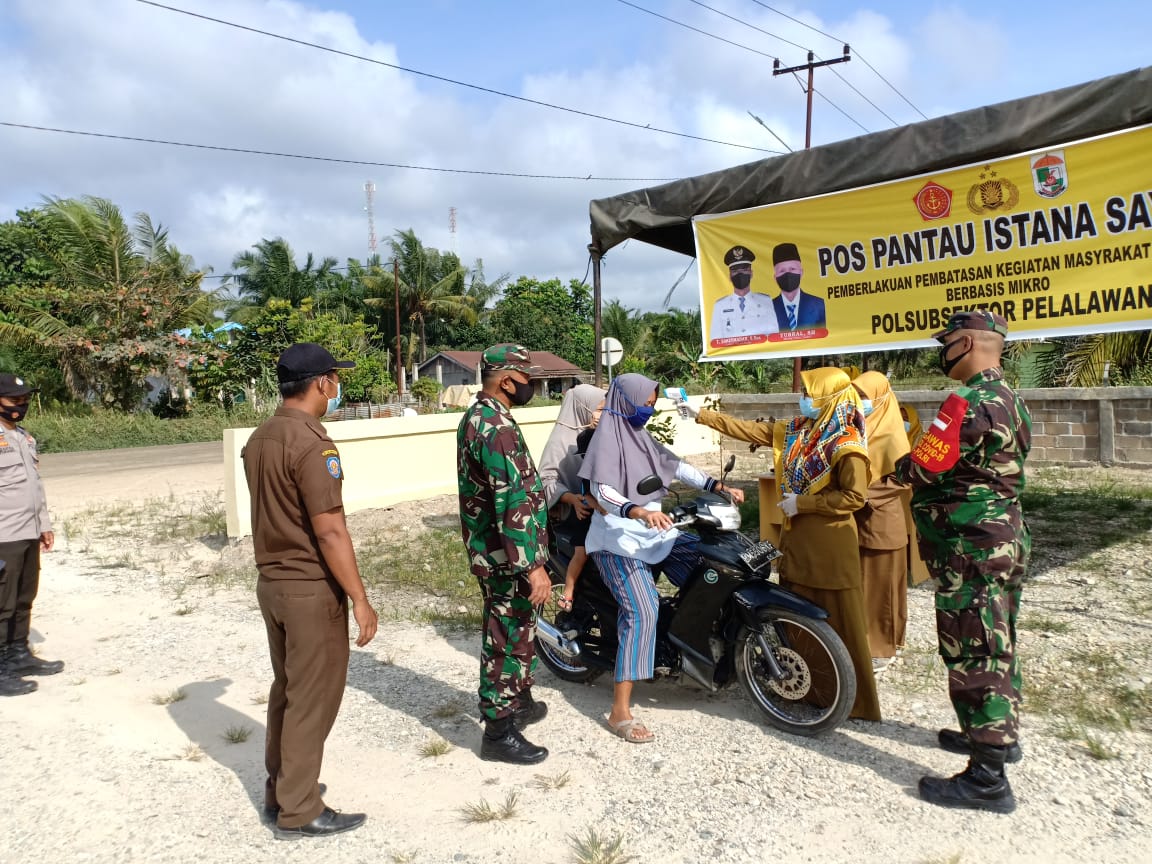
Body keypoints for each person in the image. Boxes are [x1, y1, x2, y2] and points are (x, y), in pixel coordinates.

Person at [894, 310, 1031, 814]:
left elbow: (926, 464)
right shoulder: (1013, 399)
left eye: (947, 341)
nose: (942, 350)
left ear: (968, 343)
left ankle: (987, 778)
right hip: (1003, 538)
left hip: (970, 546)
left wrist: (899, 466)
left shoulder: (965, 402)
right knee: (999, 638)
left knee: (975, 647)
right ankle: (995, 736)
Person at [685, 370, 880, 721]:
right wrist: (699, 414)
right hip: (798, 541)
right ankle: (810, 690)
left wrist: (803, 504)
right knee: (794, 615)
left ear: (829, 395)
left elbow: (854, 496)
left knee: (838, 620)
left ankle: (852, 702)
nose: (802, 397)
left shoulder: (847, 443)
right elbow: (749, 430)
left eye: (809, 391)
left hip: (830, 545)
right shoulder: (800, 431)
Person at [242, 343, 379, 838]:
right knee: (312, 697)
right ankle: (299, 808)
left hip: (272, 584)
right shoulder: (311, 443)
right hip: (307, 588)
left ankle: (281, 790)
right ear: (322, 383)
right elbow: (330, 530)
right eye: (335, 380)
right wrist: (360, 598)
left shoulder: (261, 437)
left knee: (288, 690)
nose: (337, 389)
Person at [580, 373, 743, 743]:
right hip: (617, 541)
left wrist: (719, 487)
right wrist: (637, 511)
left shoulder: (640, 437)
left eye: (653, 403)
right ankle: (619, 710)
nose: (649, 409)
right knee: (642, 611)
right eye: (645, 402)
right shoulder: (605, 441)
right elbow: (601, 490)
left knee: (712, 568)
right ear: (626, 402)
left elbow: (675, 464)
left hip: (656, 533)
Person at [457, 344, 552, 765]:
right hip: (507, 555)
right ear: (507, 380)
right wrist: (532, 566)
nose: (531, 384)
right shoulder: (495, 427)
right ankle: (498, 730)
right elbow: (510, 501)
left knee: (519, 629)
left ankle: (520, 701)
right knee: (506, 636)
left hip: (498, 551)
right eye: (527, 377)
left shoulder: (482, 417)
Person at [0, 373, 62, 698]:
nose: (20, 406)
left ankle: (19, 655)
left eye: (24, 400)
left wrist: (44, 524)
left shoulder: (24, 437)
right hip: (3, 535)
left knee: (24, 597)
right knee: (2, 603)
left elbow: (34, 487)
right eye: (14, 400)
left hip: (27, 532)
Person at [850, 371, 912, 670]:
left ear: (880, 397)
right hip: (861, 522)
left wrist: (859, 495)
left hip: (882, 523)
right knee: (869, 586)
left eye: (863, 396)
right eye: (855, 395)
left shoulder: (891, 434)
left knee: (882, 592)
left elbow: (901, 482)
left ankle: (881, 649)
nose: (858, 402)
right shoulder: (861, 428)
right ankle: (876, 641)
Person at [538, 384, 606, 610]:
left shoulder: (600, 436)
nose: (601, 415)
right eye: (598, 409)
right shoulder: (559, 441)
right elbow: (546, 482)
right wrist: (572, 498)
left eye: (605, 409)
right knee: (584, 550)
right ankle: (569, 590)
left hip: (600, 506)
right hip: (573, 513)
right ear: (582, 408)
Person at [708, 245, 780, 343]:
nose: (740, 274)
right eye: (735, 271)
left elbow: (774, 335)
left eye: (744, 269)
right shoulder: (720, 305)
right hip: (734, 357)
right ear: (730, 276)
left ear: (751, 273)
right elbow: (715, 340)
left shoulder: (765, 300)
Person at [770, 242, 827, 331]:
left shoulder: (817, 304)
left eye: (792, 269)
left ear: (801, 272)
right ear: (775, 277)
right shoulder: (768, 308)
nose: (788, 274)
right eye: (782, 271)